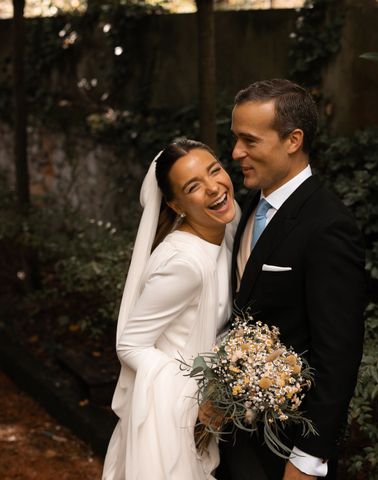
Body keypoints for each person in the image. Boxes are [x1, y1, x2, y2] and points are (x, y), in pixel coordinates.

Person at [217, 79, 367, 480]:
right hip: (237, 438)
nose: (236, 153)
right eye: (235, 139)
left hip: (288, 449)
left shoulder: (328, 226)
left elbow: (338, 355)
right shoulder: (250, 205)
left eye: (249, 141)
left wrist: (308, 458)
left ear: (292, 140)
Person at [102, 139, 239, 480]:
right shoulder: (184, 263)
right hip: (169, 420)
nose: (214, 188)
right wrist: (195, 394)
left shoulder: (228, 229)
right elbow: (130, 344)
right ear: (176, 205)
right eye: (193, 187)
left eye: (215, 171)